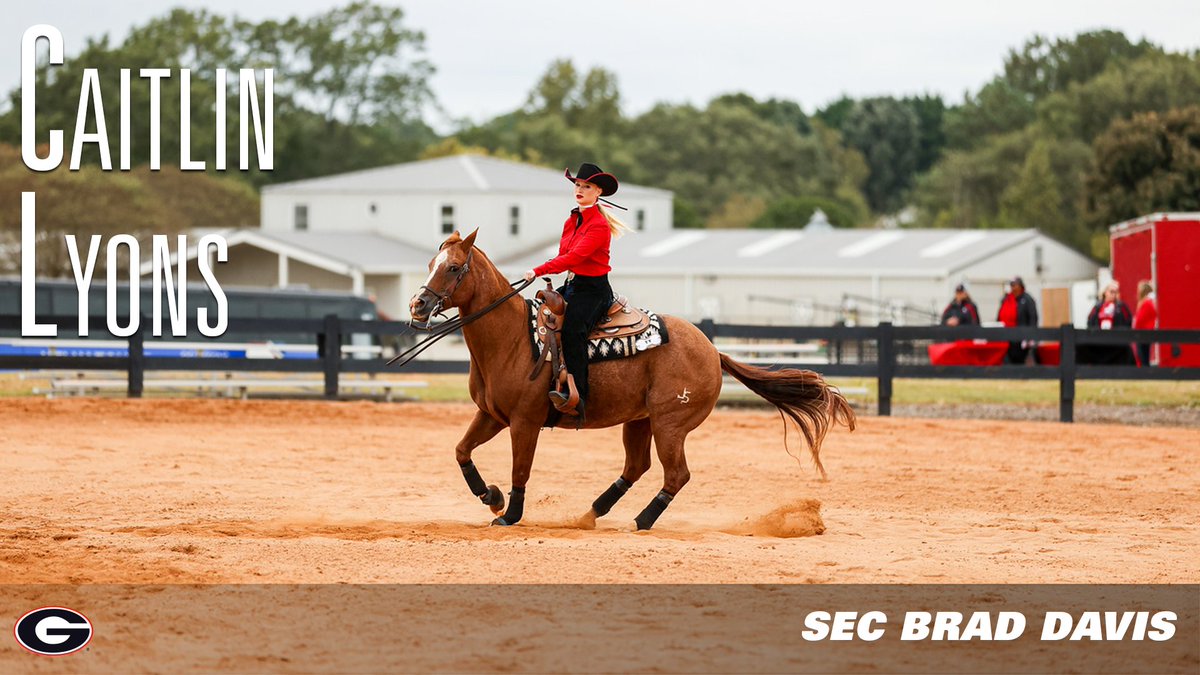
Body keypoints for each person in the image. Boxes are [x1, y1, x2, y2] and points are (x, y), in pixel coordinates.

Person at [522, 163, 632, 419]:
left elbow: (573, 258)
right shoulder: (571, 221)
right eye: (577, 185)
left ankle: (579, 397)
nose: (580, 190)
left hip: (593, 291)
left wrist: (537, 271)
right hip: (573, 285)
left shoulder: (599, 226)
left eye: (587, 186)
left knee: (572, 332)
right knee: (539, 317)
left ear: (598, 192)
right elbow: (565, 257)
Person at [1083, 282, 1135, 365]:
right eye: (1111, 291)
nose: (1113, 294)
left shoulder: (1121, 306)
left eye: (1116, 292)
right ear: (1105, 292)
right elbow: (1090, 321)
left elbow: (1128, 321)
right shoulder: (1097, 307)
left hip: (1117, 343)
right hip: (1100, 343)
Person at [997, 276, 1038, 364]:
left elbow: (1033, 318)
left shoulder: (1027, 299)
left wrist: (1030, 336)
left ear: (1021, 286)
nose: (1013, 287)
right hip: (1008, 337)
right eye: (1012, 285)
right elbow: (999, 316)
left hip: (1022, 337)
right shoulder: (1007, 299)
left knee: (1022, 360)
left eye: (1015, 285)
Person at [1133, 280, 1157, 367]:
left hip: (1143, 334)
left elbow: (1140, 320)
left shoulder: (1146, 303)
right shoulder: (1149, 302)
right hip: (1144, 334)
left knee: (1143, 357)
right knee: (1144, 356)